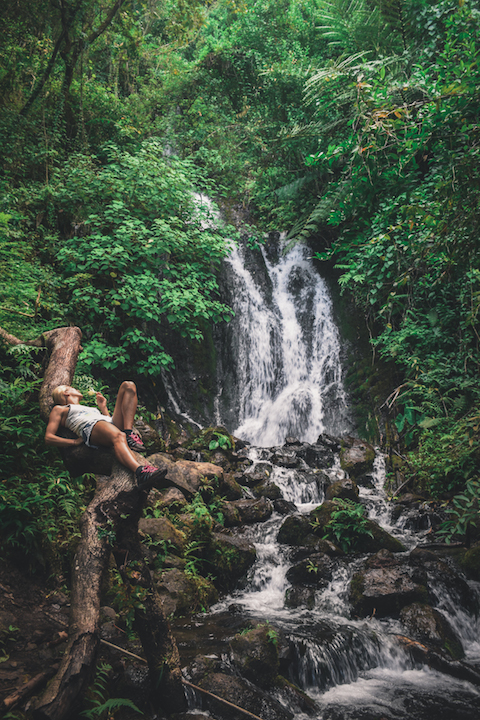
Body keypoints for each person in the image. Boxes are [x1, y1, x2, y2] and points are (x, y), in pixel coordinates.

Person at [45, 381, 165, 487]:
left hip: (107, 423)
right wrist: (74, 442)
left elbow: (106, 423)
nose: (76, 389)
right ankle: (140, 472)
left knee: (128, 386)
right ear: (66, 392)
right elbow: (49, 438)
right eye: (72, 388)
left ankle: (128, 432)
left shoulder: (88, 408)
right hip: (90, 427)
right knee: (119, 436)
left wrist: (103, 408)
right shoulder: (60, 409)